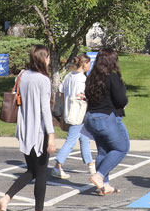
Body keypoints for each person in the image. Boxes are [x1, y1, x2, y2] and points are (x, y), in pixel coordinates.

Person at [0, 45, 58, 211]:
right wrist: (51, 135)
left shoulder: (22, 75)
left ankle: (6, 199)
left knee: (33, 170)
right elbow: (46, 109)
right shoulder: (43, 80)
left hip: (24, 129)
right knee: (42, 171)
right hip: (39, 130)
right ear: (43, 58)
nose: (48, 60)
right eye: (47, 57)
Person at [82, 48, 130, 195]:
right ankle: (99, 176)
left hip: (90, 117)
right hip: (106, 118)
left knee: (103, 151)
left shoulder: (91, 77)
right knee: (122, 148)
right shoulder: (112, 77)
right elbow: (121, 100)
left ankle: (104, 185)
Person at [51, 54, 94, 181]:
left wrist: (66, 102)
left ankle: (91, 164)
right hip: (78, 113)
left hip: (69, 111)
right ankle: (57, 165)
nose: (90, 66)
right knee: (71, 140)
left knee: (84, 138)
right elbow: (81, 95)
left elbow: (61, 91)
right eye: (89, 63)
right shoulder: (82, 79)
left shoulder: (69, 76)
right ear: (84, 63)